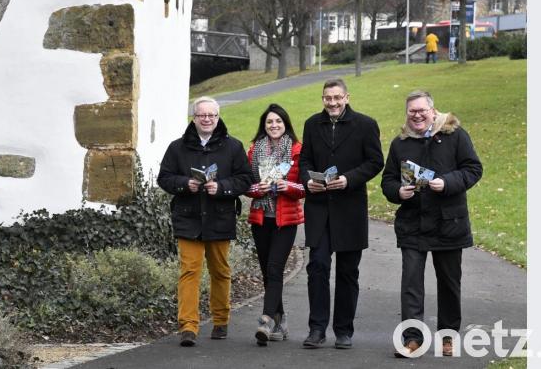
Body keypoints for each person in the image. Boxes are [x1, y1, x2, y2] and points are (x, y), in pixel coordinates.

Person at [380, 90, 483, 358]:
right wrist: (397, 192)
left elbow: (473, 169)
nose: (417, 115)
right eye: (412, 111)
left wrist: (448, 183)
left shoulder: (455, 135)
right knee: (411, 285)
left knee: (449, 283)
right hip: (413, 223)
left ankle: (448, 337)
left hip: (449, 222)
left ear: (433, 111)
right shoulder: (400, 144)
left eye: (421, 110)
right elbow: (388, 181)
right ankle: (412, 339)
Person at [157, 96, 253, 347]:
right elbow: (164, 178)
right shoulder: (177, 147)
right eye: (202, 115)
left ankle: (221, 320)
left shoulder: (233, 146)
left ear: (218, 117)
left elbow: (245, 179)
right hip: (188, 218)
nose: (207, 119)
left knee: (220, 271)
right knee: (189, 271)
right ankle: (188, 326)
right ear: (194, 117)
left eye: (212, 115)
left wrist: (221, 187)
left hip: (220, 218)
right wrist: (183, 184)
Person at [298, 78, 384, 349]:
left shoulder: (366, 125)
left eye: (337, 98)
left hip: (350, 209)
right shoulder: (313, 124)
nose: (332, 103)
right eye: (328, 98)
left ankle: (344, 330)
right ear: (323, 99)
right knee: (318, 267)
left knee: (348, 272)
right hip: (319, 209)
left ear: (347, 97)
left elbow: (375, 162)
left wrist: (349, 179)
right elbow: (305, 161)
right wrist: (307, 181)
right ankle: (316, 328)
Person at [243, 104, 305, 346]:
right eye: (269, 122)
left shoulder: (297, 150)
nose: (274, 126)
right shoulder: (254, 150)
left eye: (278, 121)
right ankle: (281, 320)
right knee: (267, 271)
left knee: (275, 268)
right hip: (261, 218)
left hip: (284, 219)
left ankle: (266, 320)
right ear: (264, 125)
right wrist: (258, 189)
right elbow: (246, 186)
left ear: (285, 123)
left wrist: (286, 186)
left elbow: (304, 187)